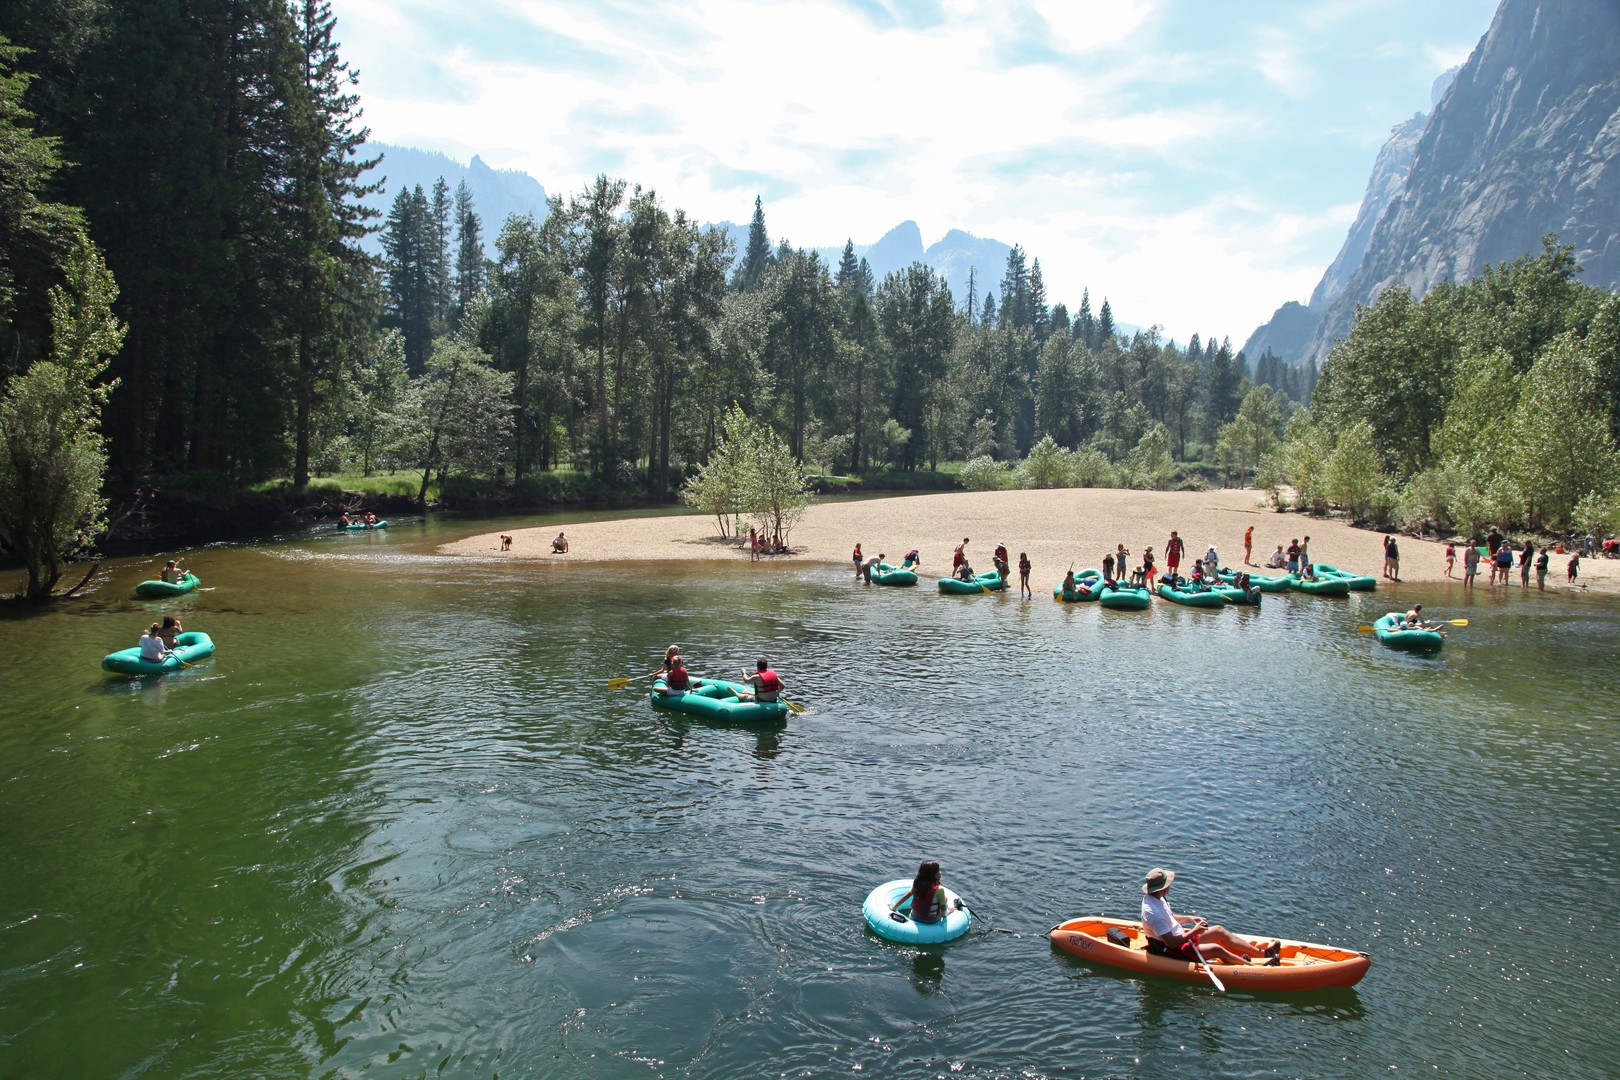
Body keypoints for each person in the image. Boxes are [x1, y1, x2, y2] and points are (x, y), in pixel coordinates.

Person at [1140, 867, 1277, 966]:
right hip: (1171, 948)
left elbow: (1170, 917)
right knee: (1215, 949)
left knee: (1218, 930)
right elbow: (1172, 943)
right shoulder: (1153, 913)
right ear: (1162, 888)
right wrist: (1195, 931)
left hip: (1180, 937)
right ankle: (1255, 968)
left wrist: (1190, 919)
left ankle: (1262, 954)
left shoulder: (1157, 898)